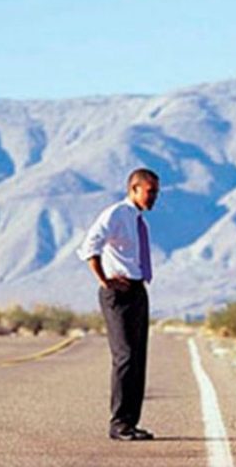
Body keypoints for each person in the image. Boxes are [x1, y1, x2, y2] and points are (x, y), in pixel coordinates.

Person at [76, 168, 160, 441]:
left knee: (138, 359)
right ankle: (119, 423)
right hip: (118, 295)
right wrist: (104, 280)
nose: (154, 197)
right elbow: (90, 246)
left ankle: (130, 423)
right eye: (150, 191)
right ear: (134, 189)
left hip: (137, 290)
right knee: (124, 357)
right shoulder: (116, 214)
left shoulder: (137, 220)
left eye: (156, 192)